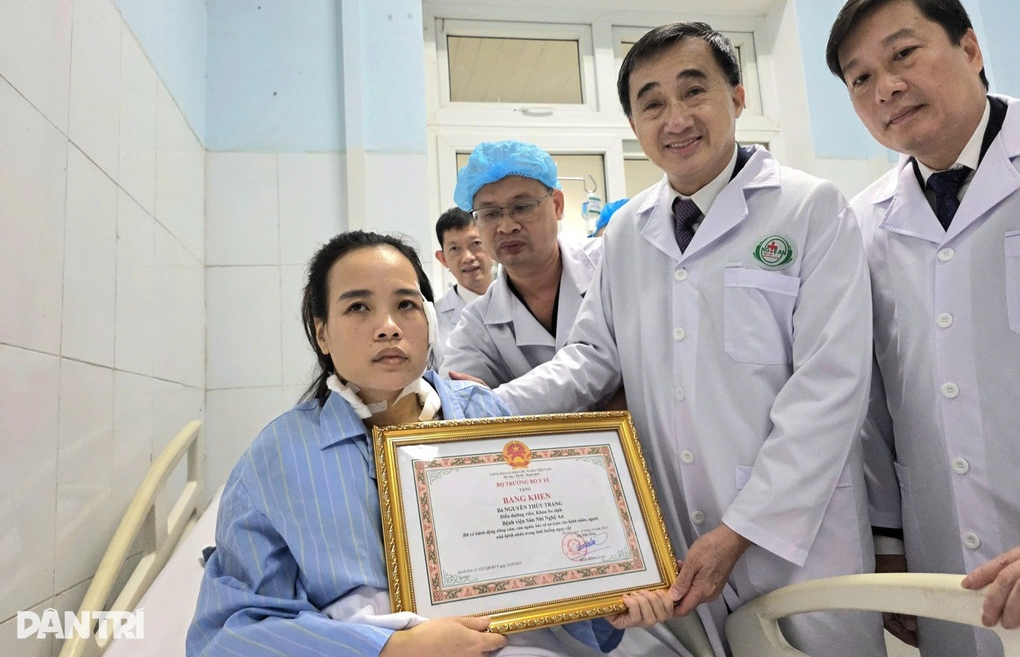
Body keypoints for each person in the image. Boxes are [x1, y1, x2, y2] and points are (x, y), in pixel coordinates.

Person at [490, 22, 885, 656]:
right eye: (651, 104)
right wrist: (479, 409)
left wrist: (742, 528)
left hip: (798, 535)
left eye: (693, 91)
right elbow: (590, 358)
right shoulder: (627, 232)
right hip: (677, 533)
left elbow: (830, 387)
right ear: (634, 124)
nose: (675, 119)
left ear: (737, 97)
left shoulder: (809, 208)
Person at [186, 230, 671, 656]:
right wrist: (390, 648)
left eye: (406, 304)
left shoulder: (485, 417)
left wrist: (611, 597)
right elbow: (231, 630)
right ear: (322, 333)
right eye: (358, 307)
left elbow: (546, 562)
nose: (388, 326)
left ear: (430, 320)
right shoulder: (278, 457)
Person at [826, 0, 1020, 653]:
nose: (886, 87)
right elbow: (870, 402)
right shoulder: (861, 224)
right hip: (947, 566)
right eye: (860, 78)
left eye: (903, 54)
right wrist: (887, 543)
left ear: (970, 48)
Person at [440, 140, 605, 391]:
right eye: (490, 213)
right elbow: (458, 398)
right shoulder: (478, 323)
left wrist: (497, 399)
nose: (507, 226)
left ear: (557, 205)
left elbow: (604, 365)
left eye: (522, 207)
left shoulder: (607, 263)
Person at [432, 207, 495, 365]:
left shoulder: (521, 301)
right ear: (443, 259)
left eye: (476, 243)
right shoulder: (433, 322)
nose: (467, 257)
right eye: (454, 249)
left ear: (492, 245)